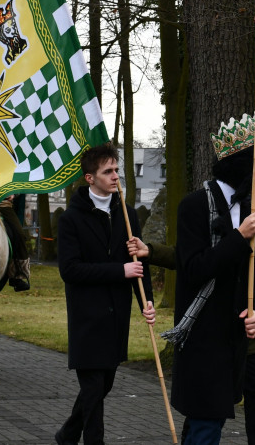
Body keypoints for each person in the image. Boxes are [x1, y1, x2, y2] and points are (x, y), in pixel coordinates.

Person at [130, 151, 255, 445]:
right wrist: (239, 237)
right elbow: (193, 263)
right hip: (207, 333)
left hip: (244, 335)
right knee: (206, 418)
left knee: (242, 404)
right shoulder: (198, 206)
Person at [163, 114, 255, 444]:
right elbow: (194, 269)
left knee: (206, 424)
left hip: (234, 341)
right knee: (206, 424)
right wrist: (239, 237)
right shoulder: (193, 206)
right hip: (202, 337)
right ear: (245, 166)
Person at [55, 143, 155, 445]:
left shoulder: (126, 214)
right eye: (108, 171)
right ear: (90, 178)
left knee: (101, 387)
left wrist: (146, 301)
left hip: (116, 315)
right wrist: (118, 271)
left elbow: (139, 263)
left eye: (117, 170)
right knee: (93, 389)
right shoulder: (71, 218)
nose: (115, 177)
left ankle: (67, 434)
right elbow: (70, 270)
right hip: (87, 317)